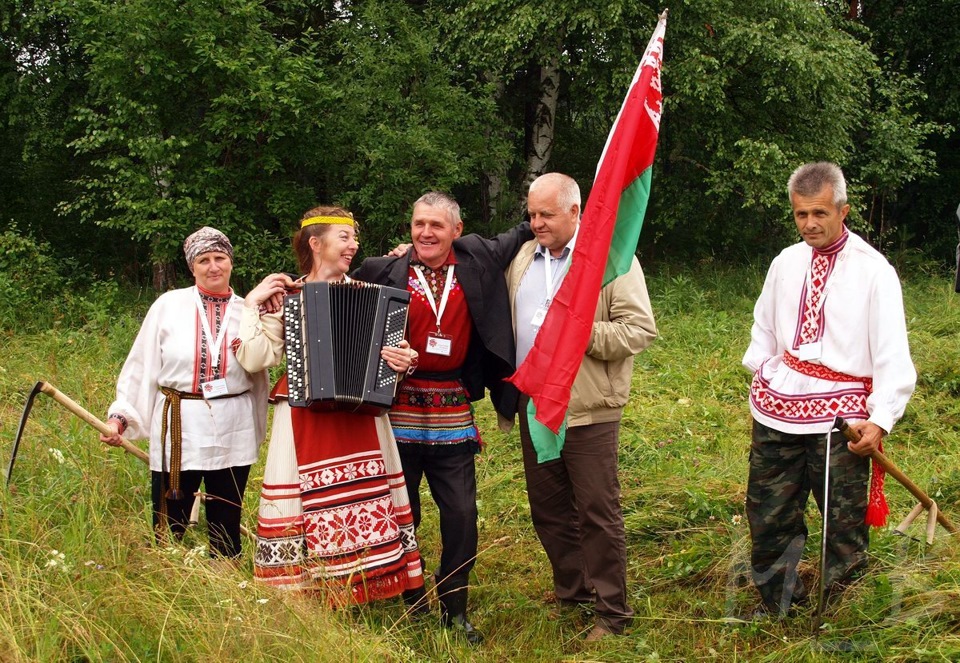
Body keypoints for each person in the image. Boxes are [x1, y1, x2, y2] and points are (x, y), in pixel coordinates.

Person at [352, 192, 533, 643]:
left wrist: (584, 208)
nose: (425, 233)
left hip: (452, 405)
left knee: (461, 514)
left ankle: (455, 607)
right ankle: (409, 602)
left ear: (457, 228)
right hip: (396, 406)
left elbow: (528, 228)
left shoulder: (477, 256)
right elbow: (334, 296)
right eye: (418, 224)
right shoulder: (382, 270)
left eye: (436, 225)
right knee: (402, 511)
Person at [742, 162, 917, 616]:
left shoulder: (873, 271)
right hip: (780, 407)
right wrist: (764, 374)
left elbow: (893, 354)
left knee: (842, 525)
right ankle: (779, 603)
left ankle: (844, 614)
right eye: (801, 214)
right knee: (768, 512)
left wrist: (879, 420)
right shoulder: (786, 262)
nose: (810, 224)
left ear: (844, 210)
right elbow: (764, 329)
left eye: (819, 213)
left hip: (844, 419)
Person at [235, 206, 424, 605]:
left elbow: (392, 358)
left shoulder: (372, 296)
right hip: (303, 417)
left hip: (360, 418)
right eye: (345, 237)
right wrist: (250, 303)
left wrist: (403, 360)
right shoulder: (283, 297)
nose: (354, 245)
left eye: (355, 237)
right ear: (316, 243)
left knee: (365, 497)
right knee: (301, 502)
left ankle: (366, 586)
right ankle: (301, 594)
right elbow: (254, 359)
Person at [502, 172, 657, 641]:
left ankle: (613, 613)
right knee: (548, 508)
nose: (536, 223)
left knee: (596, 510)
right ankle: (575, 594)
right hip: (537, 404)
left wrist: (578, 334)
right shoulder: (525, 257)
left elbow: (639, 330)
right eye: (531, 214)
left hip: (588, 406)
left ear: (575, 211)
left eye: (546, 214)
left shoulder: (612, 261)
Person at [101, 226, 269, 559]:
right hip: (180, 423)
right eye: (203, 260)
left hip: (231, 422)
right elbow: (142, 365)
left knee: (226, 513)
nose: (213, 267)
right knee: (170, 515)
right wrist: (120, 418)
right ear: (192, 267)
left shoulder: (248, 311)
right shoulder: (168, 306)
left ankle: (226, 575)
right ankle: (167, 571)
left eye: (220, 258)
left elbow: (261, 367)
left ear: (231, 262)